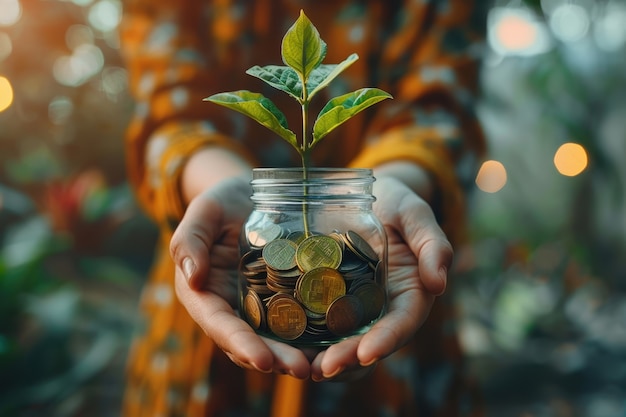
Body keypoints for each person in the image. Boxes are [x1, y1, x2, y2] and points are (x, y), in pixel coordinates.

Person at [119, 0, 487, 416]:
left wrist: (395, 182)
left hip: (395, 335)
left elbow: (439, 110)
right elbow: (168, 109)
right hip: (215, 298)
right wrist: (223, 186)